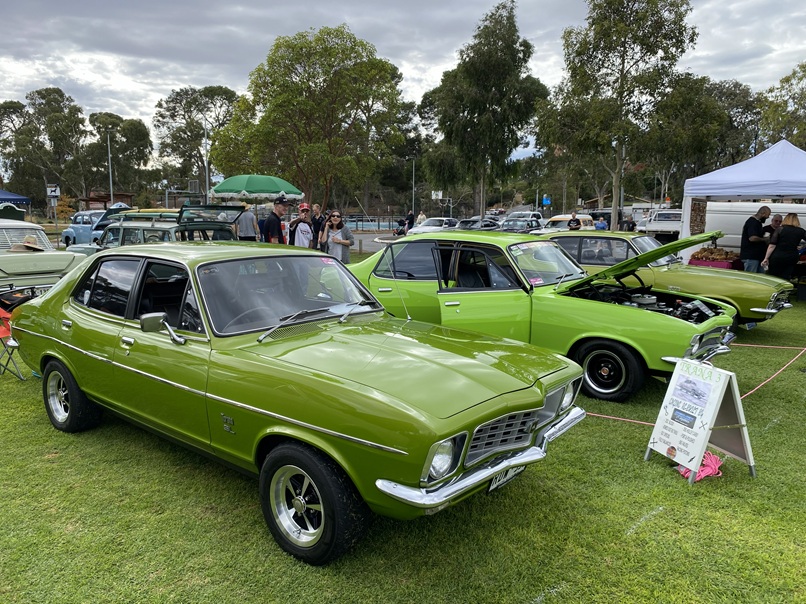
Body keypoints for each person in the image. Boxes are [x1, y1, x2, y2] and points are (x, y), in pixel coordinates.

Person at [761, 213, 806, 280]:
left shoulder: (780, 229)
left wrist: (766, 258)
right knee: (786, 276)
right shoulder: (801, 231)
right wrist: (802, 247)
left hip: (778, 256)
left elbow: (772, 245)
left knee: (774, 276)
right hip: (792, 257)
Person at [739, 205, 771, 273]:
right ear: (763, 213)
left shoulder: (757, 222)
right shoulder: (753, 223)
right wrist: (764, 239)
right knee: (751, 278)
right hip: (751, 256)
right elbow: (752, 238)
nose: (768, 217)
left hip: (756, 256)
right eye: (768, 215)